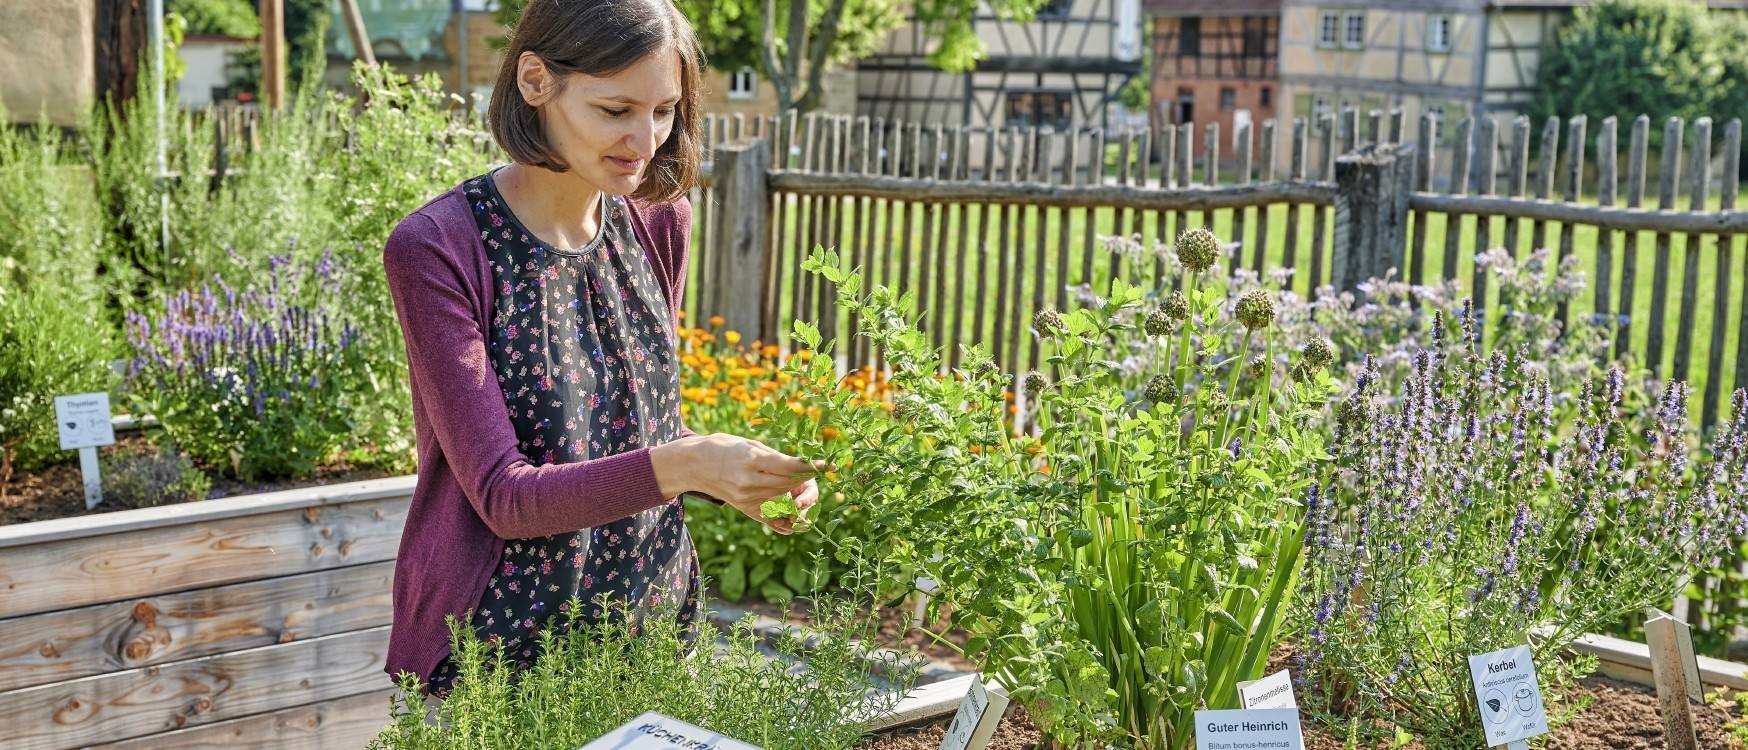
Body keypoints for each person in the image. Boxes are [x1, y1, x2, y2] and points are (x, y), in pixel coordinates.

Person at [380, 0, 821, 697]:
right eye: (615, 110)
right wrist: (690, 463)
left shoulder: (658, 220)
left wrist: (736, 475)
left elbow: (637, 430)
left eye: (664, 111)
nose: (644, 140)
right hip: (499, 669)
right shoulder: (438, 247)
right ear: (535, 81)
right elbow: (504, 497)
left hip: (653, 642)